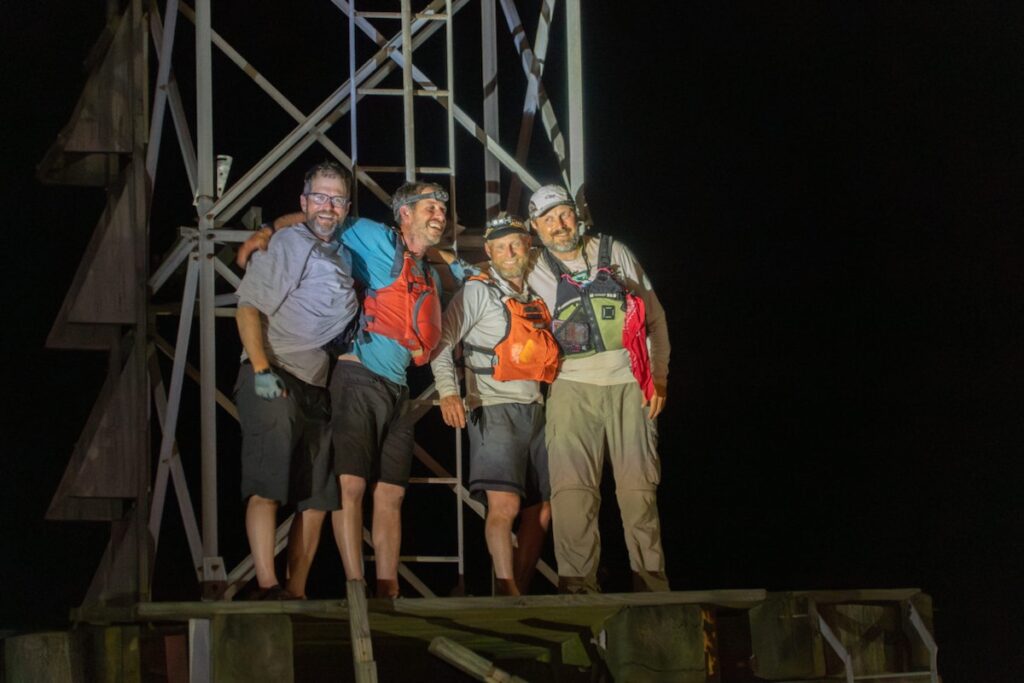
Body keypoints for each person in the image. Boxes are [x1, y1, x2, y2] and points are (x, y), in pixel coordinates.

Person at [239, 180, 448, 598]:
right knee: (335, 487)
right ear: (405, 213)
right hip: (352, 375)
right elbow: (324, 216)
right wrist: (268, 229)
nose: (439, 216)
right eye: (430, 208)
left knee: (364, 493)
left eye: (443, 210)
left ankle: (379, 588)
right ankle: (339, 586)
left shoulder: (429, 271)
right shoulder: (374, 237)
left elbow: (439, 327)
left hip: (384, 386)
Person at [525, 184, 671, 593]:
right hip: (571, 387)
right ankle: (577, 590)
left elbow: (655, 317)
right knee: (572, 494)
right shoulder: (532, 262)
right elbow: (489, 262)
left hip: (629, 383)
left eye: (564, 214)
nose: (559, 225)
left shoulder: (614, 251)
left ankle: (653, 586)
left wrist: (657, 375)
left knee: (638, 489)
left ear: (577, 214)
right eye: (548, 219)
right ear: (536, 227)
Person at [234, 161, 358, 599]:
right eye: (319, 197)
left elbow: (311, 215)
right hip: (275, 372)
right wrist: (262, 369)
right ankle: (267, 583)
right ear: (304, 201)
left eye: (337, 198)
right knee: (268, 484)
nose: (328, 206)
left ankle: (296, 589)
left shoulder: (341, 250)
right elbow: (247, 306)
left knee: (318, 497)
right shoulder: (290, 243)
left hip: (316, 385)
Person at [430, 214, 561, 595]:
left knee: (542, 510)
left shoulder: (537, 294)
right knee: (504, 506)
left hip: (536, 407)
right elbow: (441, 340)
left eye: (517, 244)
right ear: (489, 251)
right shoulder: (477, 291)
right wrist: (448, 391)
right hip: (493, 405)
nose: (510, 252)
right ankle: (506, 589)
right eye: (501, 246)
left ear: (528, 247)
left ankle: (516, 588)